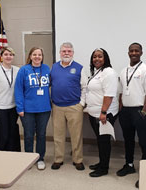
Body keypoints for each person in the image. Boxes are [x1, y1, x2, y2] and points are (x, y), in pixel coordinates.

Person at [117, 43, 146, 189]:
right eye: (131, 51)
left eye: (136, 51)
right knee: (128, 140)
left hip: (139, 111)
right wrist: (120, 109)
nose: (134, 53)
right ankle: (129, 164)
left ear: (141, 53)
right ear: (128, 53)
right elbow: (121, 92)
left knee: (144, 141)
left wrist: (144, 111)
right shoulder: (123, 70)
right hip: (125, 111)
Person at [50, 42, 87, 171]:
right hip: (57, 107)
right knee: (58, 135)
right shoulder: (53, 67)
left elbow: (84, 88)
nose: (66, 53)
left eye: (69, 51)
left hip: (74, 107)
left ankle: (78, 160)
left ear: (73, 53)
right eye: (64, 51)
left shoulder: (79, 68)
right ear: (60, 53)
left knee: (76, 135)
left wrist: (81, 104)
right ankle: (58, 159)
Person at [14, 47, 51, 170]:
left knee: (41, 134)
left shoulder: (46, 69)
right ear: (30, 56)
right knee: (29, 135)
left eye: (39, 54)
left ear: (42, 56)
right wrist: (20, 108)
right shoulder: (24, 70)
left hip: (44, 109)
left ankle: (40, 158)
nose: (37, 57)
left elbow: (50, 85)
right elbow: (18, 90)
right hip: (28, 109)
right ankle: (28, 158)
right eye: (34, 54)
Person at [86, 48, 119, 177]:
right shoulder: (98, 72)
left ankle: (104, 168)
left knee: (104, 141)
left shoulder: (109, 72)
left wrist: (103, 113)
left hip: (104, 114)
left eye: (100, 56)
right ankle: (101, 162)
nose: (97, 59)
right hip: (94, 112)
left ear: (105, 58)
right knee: (100, 140)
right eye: (94, 57)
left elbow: (109, 95)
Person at [0, 47, 21, 152]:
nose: (8, 57)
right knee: (3, 133)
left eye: (10, 55)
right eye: (6, 54)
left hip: (13, 107)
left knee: (12, 133)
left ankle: (12, 154)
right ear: (1, 57)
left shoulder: (17, 70)